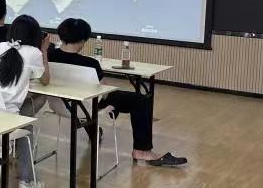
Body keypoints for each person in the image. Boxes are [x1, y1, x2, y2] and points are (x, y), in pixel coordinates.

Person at [49, 18, 187, 167]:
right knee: (140, 100)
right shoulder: (90, 63)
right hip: (86, 106)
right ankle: (142, 151)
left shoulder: (48, 56)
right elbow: (104, 92)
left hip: (60, 105)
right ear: (83, 40)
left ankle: (98, 128)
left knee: (97, 97)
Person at [0, 14, 51, 188]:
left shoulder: (1, 46)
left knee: (23, 115)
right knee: (26, 125)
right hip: (6, 120)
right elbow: (45, 80)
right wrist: (44, 50)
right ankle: (26, 180)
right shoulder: (34, 53)